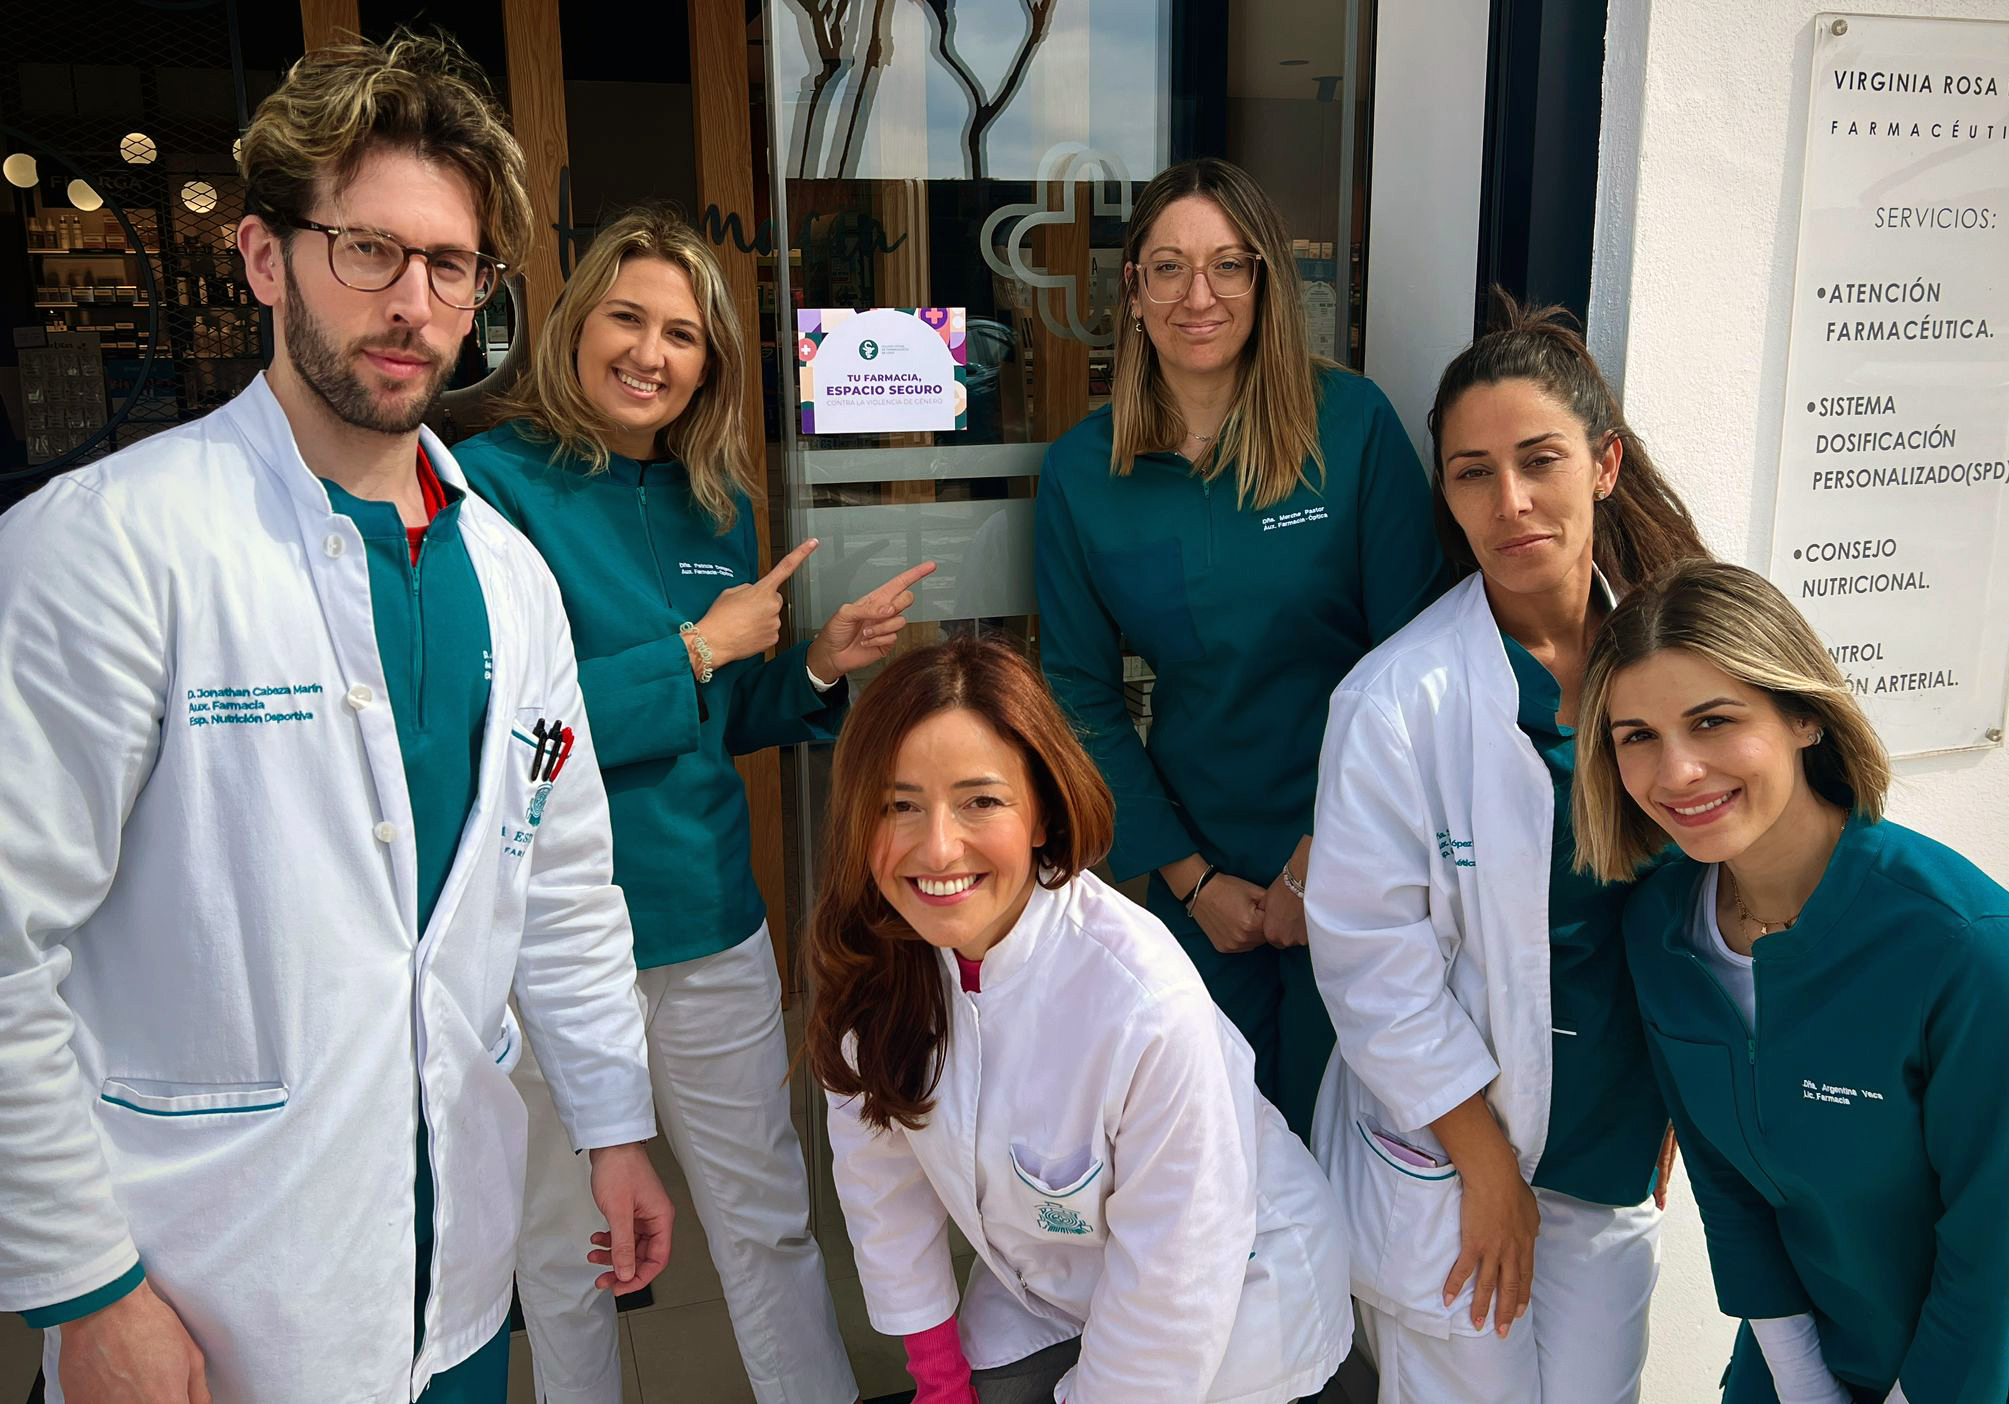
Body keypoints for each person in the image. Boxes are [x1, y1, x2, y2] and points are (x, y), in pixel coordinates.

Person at [0, 31, 671, 1404]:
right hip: (203, 1295)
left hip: (456, 1289)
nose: (413, 303)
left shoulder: (510, 578)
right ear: (264, 257)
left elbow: (561, 887)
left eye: (451, 265)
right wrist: (85, 1288)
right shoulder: (109, 547)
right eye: (367, 250)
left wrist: (613, 1125)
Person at [455, 204, 931, 1404]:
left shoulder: (716, 501)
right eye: (627, 318)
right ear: (574, 324)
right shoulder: (488, 488)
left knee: (765, 1221)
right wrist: (697, 651)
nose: (649, 353)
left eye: (681, 334)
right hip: (548, 939)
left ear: (709, 362)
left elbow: (717, 716)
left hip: (709, 921)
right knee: (567, 1247)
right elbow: (497, 736)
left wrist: (813, 665)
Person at [1305, 295, 1709, 1401]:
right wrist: (1484, 1168)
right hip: (1455, 1154)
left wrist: (1689, 1084)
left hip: (1612, 1139)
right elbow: (1370, 967)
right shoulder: (1398, 700)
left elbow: (1719, 900)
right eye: (1472, 473)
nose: (1510, 501)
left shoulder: (1680, 666)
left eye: (1539, 461)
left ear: (1605, 465)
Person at [806, 635, 1354, 1404]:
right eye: (900, 805)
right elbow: (882, 1183)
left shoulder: (1142, 1003)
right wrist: (938, 1382)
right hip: (1054, 1281)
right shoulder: (875, 964)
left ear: (1041, 812)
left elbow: (1174, 1280)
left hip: (1237, 1287)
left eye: (980, 801)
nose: (938, 847)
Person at [1034, 157, 1448, 1139]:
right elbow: (1078, 693)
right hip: (1196, 862)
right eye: (1168, 268)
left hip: (1361, 848)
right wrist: (1190, 880)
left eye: (1228, 265)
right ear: (1132, 291)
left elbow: (1414, 657)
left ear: (1265, 283)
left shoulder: (1351, 428)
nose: (1199, 296)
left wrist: (1317, 858)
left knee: (1355, 1141)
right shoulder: (1082, 472)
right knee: (1212, 1146)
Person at [1573, 560, 2009, 1404]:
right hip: (1802, 1362)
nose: (1676, 772)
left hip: (1990, 1376)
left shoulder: (1974, 953)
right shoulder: (1658, 929)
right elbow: (1726, 1181)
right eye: (1637, 736)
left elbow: (2002, 1246)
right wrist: (1799, 1379)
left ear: (1804, 715)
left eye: (1712, 721)